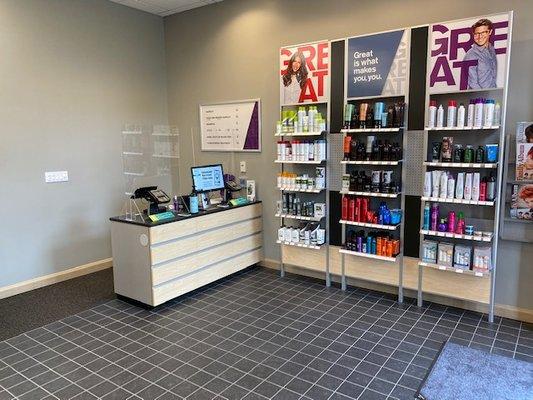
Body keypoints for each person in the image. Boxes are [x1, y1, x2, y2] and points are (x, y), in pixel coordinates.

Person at [463, 19, 497, 89]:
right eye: (477, 33)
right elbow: (473, 85)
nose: (480, 36)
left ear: (490, 32)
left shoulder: (492, 50)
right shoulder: (470, 55)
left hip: (492, 95)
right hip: (480, 97)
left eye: (483, 32)